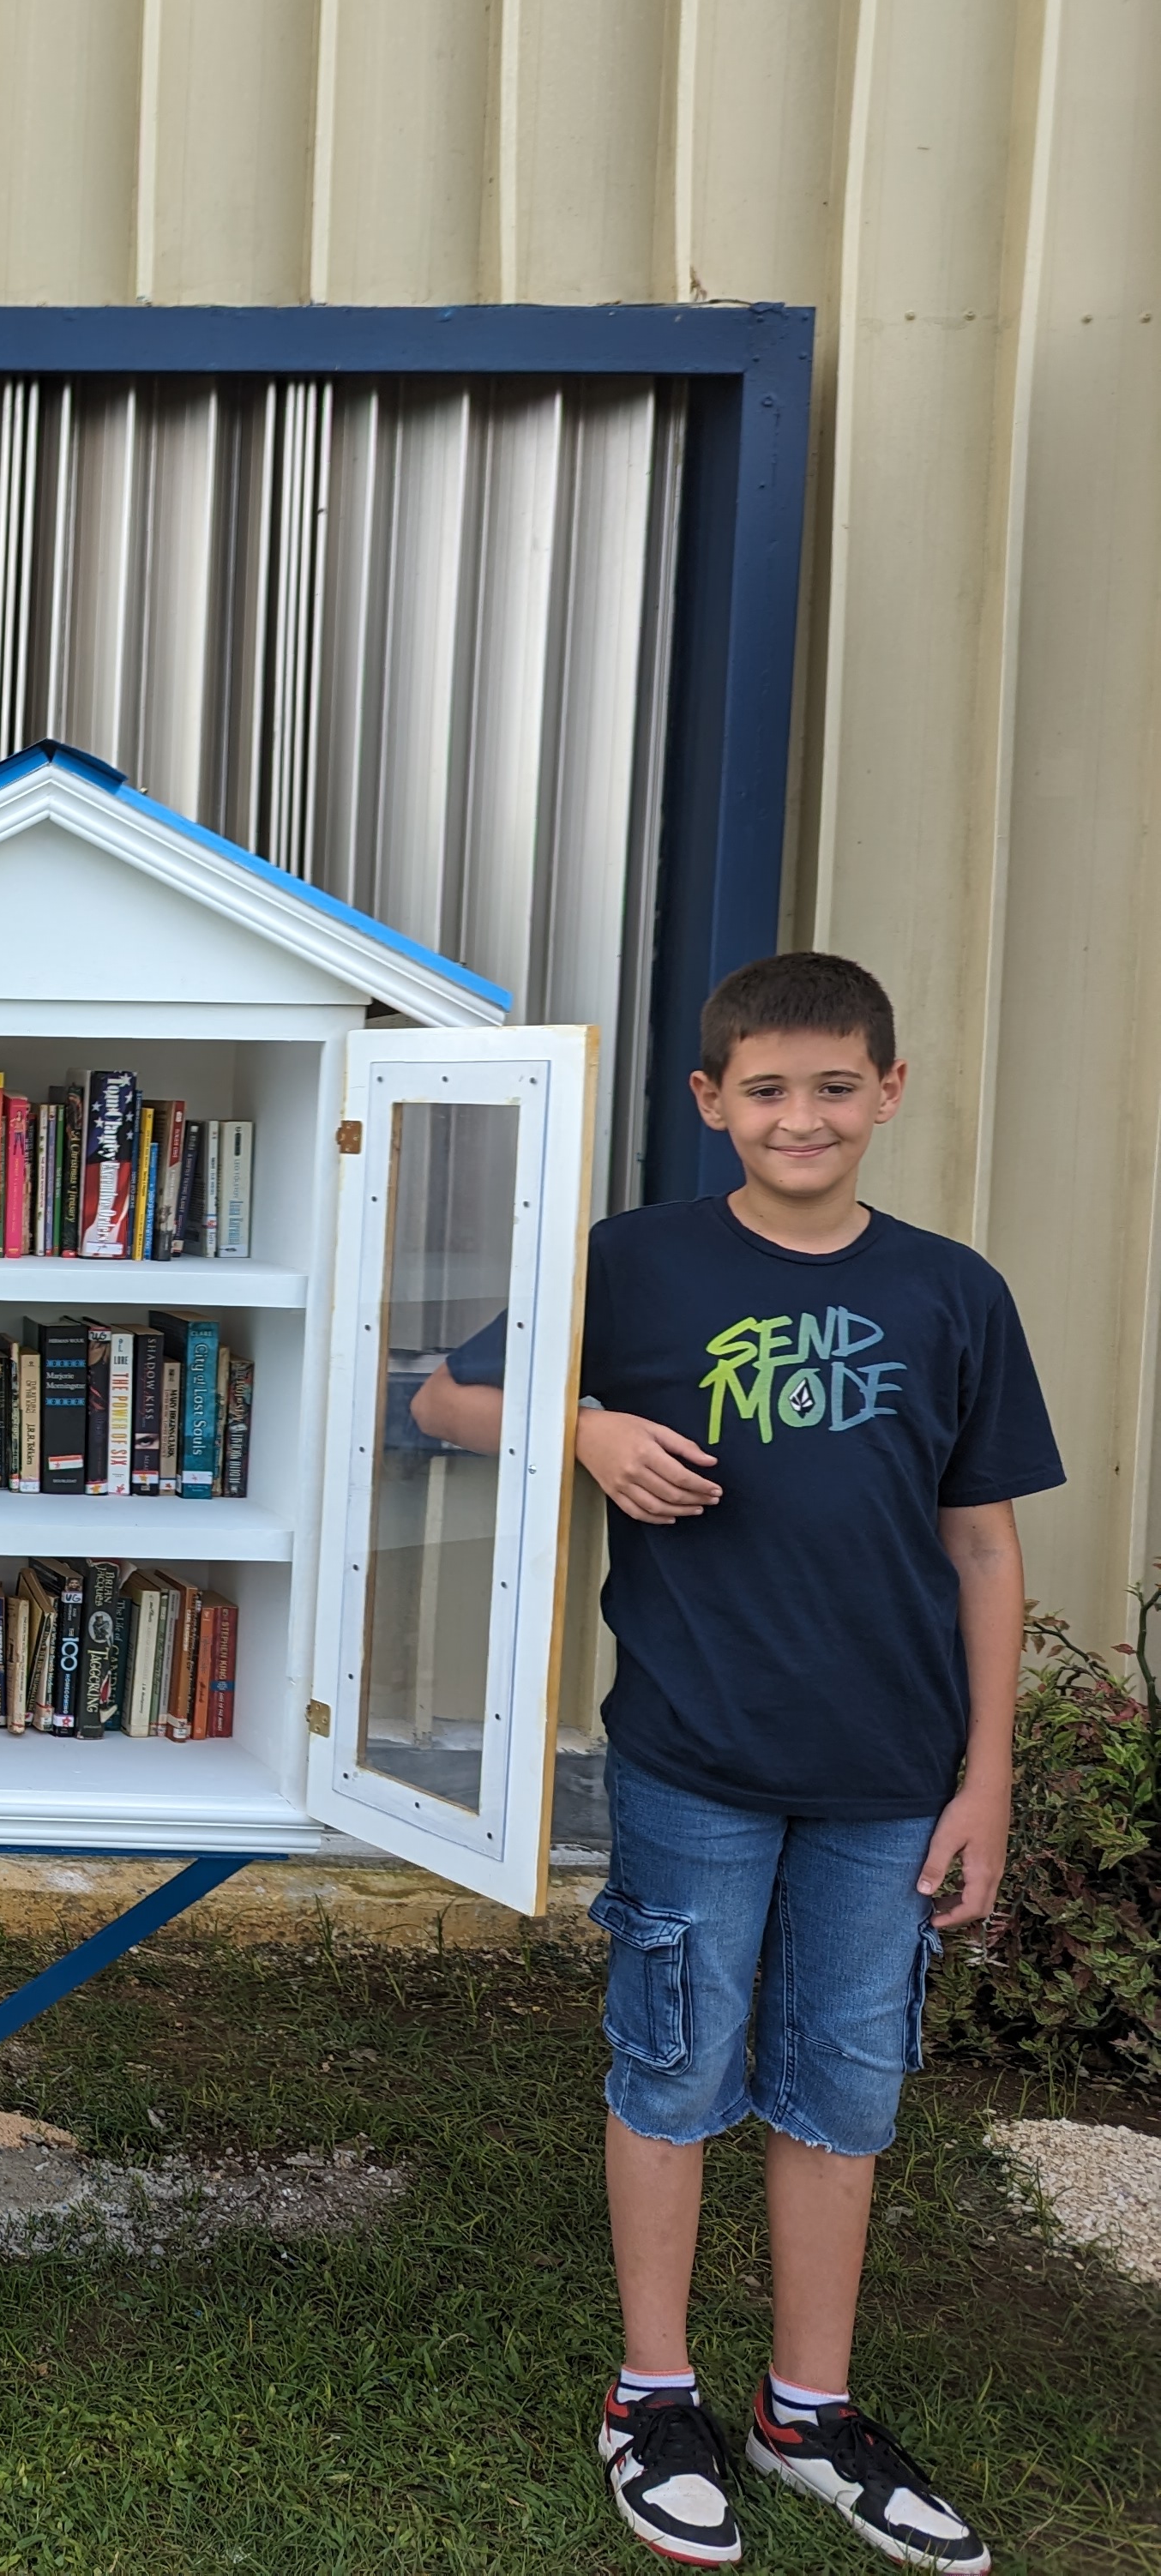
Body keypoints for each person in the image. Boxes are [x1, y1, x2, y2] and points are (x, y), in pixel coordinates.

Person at [412, 954, 1056, 2575]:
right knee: (678, 2063)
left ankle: (808, 2407)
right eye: (766, 1089)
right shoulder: (631, 1267)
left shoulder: (952, 1293)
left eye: (836, 1087)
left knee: (845, 2084)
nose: (802, 1116)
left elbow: (982, 1551)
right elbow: (438, 1392)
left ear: (889, 1094)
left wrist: (987, 1775)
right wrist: (579, 1428)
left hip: (893, 1769)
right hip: (697, 1753)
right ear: (711, 1103)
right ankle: (653, 2396)